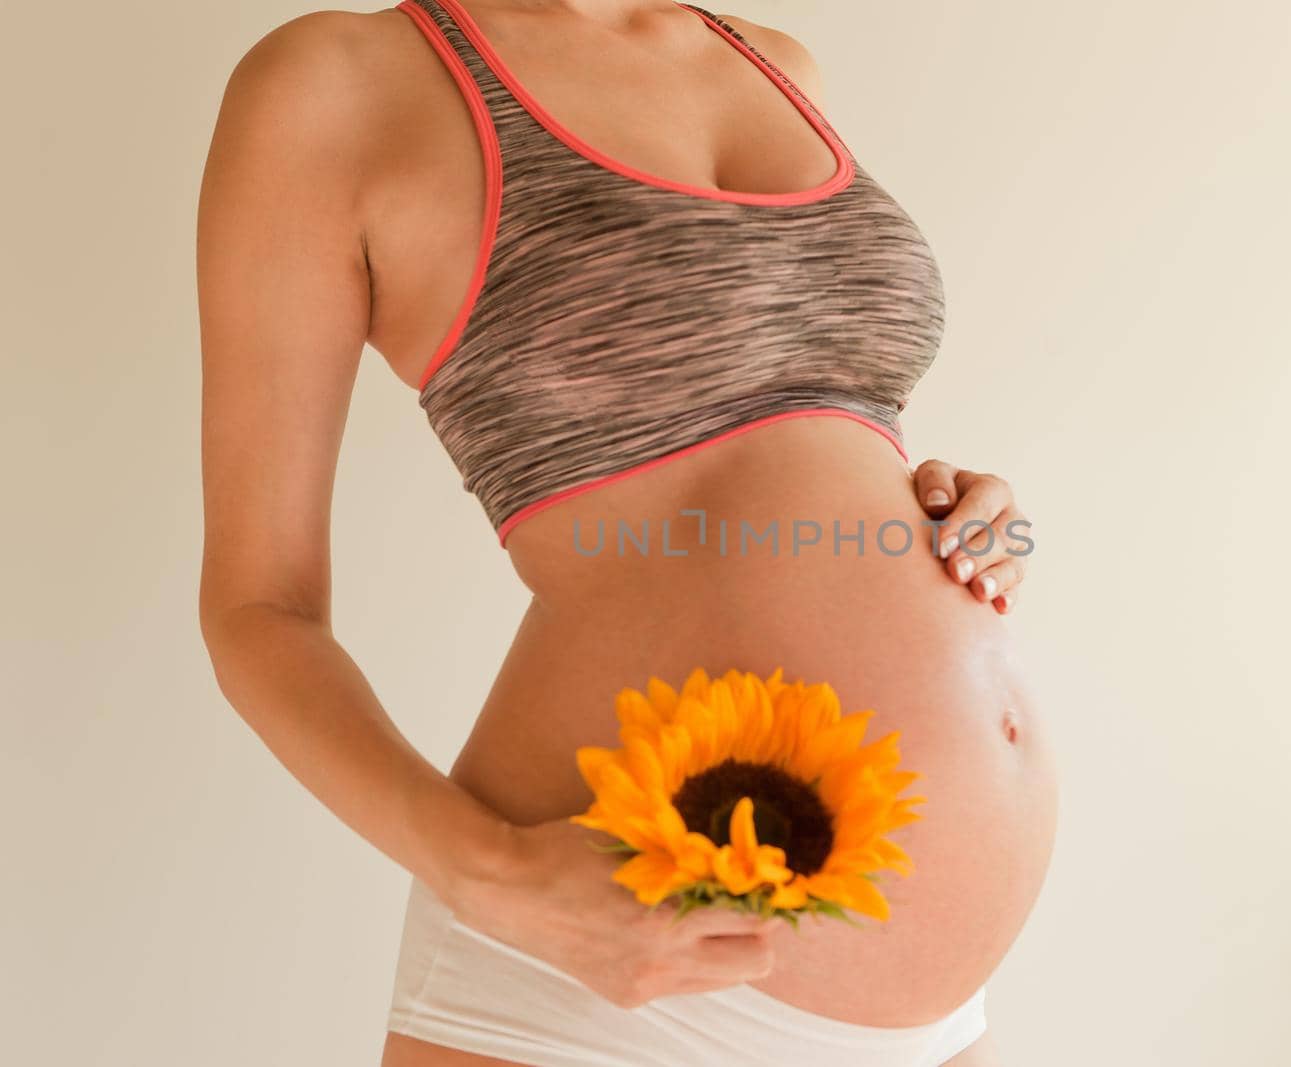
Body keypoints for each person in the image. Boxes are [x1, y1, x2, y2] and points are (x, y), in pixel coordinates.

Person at [196, 2, 1059, 1064]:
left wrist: (936, 497)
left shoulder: (770, 60)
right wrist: (493, 873)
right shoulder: (337, 80)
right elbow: (257, 606)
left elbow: (777, 432)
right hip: (609, 988)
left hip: (932, 1018)